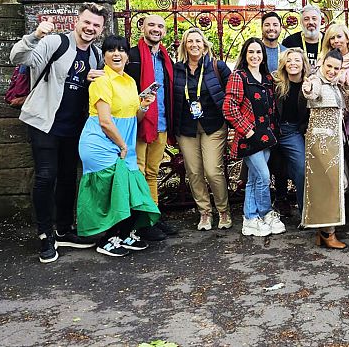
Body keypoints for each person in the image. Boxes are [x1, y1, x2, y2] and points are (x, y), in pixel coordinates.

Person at [9, 3, 106, 263]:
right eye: (87, 22)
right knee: (45, 176)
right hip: (44, 122)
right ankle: (45, 235)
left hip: (73, 126)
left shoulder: (96, 55)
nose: (90, 28)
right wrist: (35, 36)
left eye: (96, 25)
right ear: (77, 21)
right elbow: (18, 58)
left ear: (101, 29)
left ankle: (63, 229)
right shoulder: (55, 43)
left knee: (67, 177)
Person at [76, 35, 161, 257]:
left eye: (121, 50)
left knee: (133, 188)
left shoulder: (130, 82)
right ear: (103, 55)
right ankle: (108, 239)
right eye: (111, 50)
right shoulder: (102, 81)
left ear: (127, 55)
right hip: (102, 143)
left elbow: (135, 118)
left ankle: (125, 234)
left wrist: (143, 106)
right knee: (116, 192)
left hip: (123, 144)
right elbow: (104, 121)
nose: (117, 54)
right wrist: (122, 145)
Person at [223, 38, 287, 237]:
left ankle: (250, 218)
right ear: (245, 54)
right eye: (251, 52)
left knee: (254, 178)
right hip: (248, 137)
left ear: (263, 55)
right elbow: (229, 107)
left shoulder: (267, 78)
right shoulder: (239, 76)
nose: (255, 56)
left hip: (266, 136)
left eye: (258, 52)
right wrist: (248, 131)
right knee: (264, 176)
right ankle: (265, 212)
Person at [171, 28, 233, 231]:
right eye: (190, 41)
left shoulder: (218, 67)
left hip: (213, 126)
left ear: (205, 45)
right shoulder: (177, 69)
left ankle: (223, 210)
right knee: (194, 172)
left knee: (212, 170)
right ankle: (204, 212)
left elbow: (232, 91)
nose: (194, 44)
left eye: (198, 41)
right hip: (186, 127)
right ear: (185, 45)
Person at [124, 14, 178, 241]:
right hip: (138, 123)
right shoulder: (132, 56)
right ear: (142, 28)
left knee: (152, 173)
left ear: (164, 32)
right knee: (136, 171)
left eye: (160, 26)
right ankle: (139, 220)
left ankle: (152, 216)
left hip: (161, 122)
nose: (156, 29)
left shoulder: (166, 59)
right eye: (152, 25)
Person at [302, 48, 349, 248]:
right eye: (329, 66)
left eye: (336, 68)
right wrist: (308, 87)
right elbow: (311, 92)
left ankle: (322, 231)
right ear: (322, 64)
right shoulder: (316, 80)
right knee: (330, 186)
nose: (332, 71)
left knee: (331, 185)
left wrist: (348, 84)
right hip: (321, 144)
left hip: (336, 143)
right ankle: (329, 233)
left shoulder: (336, 85)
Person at [318, 23, 349, 218]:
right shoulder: (323, 62)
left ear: (347, 38)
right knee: (336, 165)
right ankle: (337, 208)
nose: (336, 41)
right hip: (330, 121)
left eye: (339, 37)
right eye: (332, 38)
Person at [272, 47, 311, 217]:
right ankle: (267, 210)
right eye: (289, 60)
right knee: (262, 169)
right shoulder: (276, 83)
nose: (293, 63)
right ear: (284, 64)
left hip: (292, 131)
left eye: (297, 60)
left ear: (303, 64)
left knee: (302, 168)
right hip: (272, 130)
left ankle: (305, 213)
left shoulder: (309, 85)